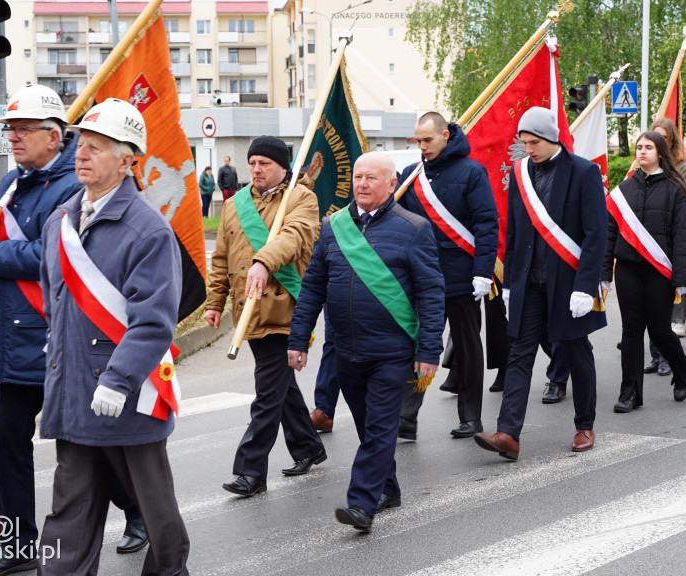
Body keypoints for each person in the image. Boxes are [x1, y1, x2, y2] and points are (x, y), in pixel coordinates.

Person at [0, 85, 145, 576]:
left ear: (54, 135)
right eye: (9, 131)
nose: (13, 139)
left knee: (92, 443)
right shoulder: (13, 182)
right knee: (7, 440)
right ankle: (19, 543)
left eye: (22, 130)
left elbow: (49, 255)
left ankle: (139, 513)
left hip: (61, 337)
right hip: (14, 341)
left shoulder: (72, 185)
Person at [35, 98, 190, 576]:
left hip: (127, 394)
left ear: (128, 160)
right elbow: (54, 301)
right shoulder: (59, 221)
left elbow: (153, 321)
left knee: (155, 512)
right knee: (69, 513)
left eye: (97, 147)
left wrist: (118, 379)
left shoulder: (150, 231)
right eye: (81, 144)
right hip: (76, 391)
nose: (81, 154)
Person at [287, 151, 445, 532]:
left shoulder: (414, 228)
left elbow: (431, 293)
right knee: (366, 426)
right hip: (347, 351)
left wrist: (428, 350)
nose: (361, 184)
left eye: (372, 178)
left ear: (392, 184)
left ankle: (361, 504)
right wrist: (299, 339)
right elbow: (312, 288)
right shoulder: (333, 228)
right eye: (358, 177)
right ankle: (388, 487)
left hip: (392, 352)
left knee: (379, 428)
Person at [474, 107, 606, 459]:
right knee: (519, 353)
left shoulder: (584, 172)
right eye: (524, 142)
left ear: (551, 138)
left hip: (568, 283)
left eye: (534, 142)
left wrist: (586, 285)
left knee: (577, 352)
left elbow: (596, 234)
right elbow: (515, 232)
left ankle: (585, 425)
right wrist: (510, 281)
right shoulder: (519, 174)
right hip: (529, 281)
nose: (528, 149)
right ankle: (508, 434)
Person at [205, 135, 326, 497]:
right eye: (253, 163)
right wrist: (214, 302)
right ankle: (308, 446)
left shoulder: (301, 198)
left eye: (265, 164)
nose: (256, 170)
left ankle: (250, 470)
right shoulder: (235, 204)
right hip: (247, 309)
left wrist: (263, 261)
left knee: (266, 393)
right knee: (280, 387)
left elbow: (295, 237)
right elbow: (222, 259)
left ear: (283, 168)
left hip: (285, 307)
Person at [395, 111, 498, 439]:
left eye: (428, 140)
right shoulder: (412, 176)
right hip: (424, 278)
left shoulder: (472, 172)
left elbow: (486, 223)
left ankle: (471, 417)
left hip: (463, 277)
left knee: (468, 347)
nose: (422, 146)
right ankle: (407, 416)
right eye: (418, 141)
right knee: (420, 346)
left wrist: (483, 271)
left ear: (445, 136)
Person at [603, 131, 686, 413]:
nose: (642, 151)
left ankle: (682, 370)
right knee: (631, 330)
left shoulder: (675, 188)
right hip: (628, 268)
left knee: (659, 330)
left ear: (660, 153)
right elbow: (609, 233)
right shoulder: (624, 190)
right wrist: (604, 272)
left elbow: (682, 235)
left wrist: (682, 278)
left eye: (648, 147)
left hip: (659, 270)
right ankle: (629, 393)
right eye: (639, 147)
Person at [643, 118, 686, 375]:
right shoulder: (641, 169)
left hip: (668, 245)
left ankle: (669, 358)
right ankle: (655, 355)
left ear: (671, 140)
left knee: (664, 312)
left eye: (662, 136)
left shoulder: (683, 168)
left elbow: (680, 204)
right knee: (649, 311)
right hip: (646, 246)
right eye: (654, 135)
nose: (656, 140)